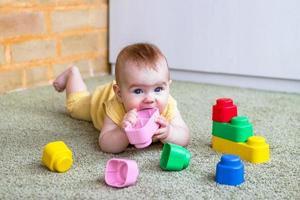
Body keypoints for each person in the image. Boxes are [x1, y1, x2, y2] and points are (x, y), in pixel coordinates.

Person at [53, 43, 190, 153]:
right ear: (119, 94)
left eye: (158, 89)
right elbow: (106, 144)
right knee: (74, 107)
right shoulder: (115, 107)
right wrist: (123, 132)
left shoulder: (168, 105)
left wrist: (170, 133)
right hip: (99, 100)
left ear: (168, 87)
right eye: (138, 91)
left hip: (122, 88)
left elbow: (184, 136)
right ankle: (72, 74)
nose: (150, 99)